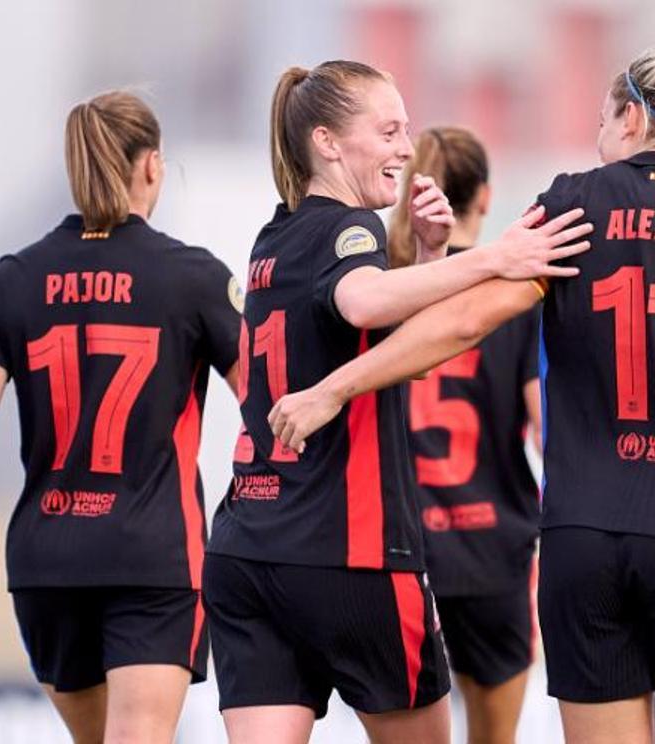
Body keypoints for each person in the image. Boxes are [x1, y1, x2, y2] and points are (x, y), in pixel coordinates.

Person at [266, 46, 655, 744]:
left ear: (633, 117)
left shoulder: (575, 201)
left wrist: (334, 388)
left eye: (604, 117)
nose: (599, 135)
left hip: (580, 546)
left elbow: (467, 320)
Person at [202, 60, 591, 744]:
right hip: (352, 555)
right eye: (388, 130)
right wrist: (493, 256)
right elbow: (359, 298)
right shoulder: (349, 229)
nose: (407, 149)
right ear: (327, 142)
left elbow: (355, 332)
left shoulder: (276, 235)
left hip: (250, 548)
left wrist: (430, 258)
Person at [0, 91, 243, 744]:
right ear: (152, 167)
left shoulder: (9, 282)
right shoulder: (192, 278)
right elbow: (270, 399)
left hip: (47, 560)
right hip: (152, 555)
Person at [388, 126, 542, 744]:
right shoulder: (517, 298)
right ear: (485, 195)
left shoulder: (390, 286)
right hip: (492, 551)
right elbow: (546, 428)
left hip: (401, 549)